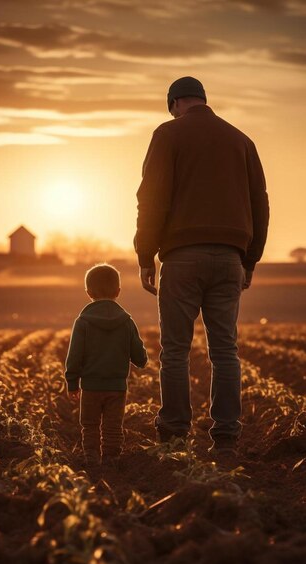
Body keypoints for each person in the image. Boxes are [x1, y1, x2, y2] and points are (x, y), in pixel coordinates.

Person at [134, 76, 269, 460]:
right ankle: (226, 436)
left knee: (175, 350)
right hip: (229, 258)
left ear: (174, 103)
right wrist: (250, 259)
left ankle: (175, 434)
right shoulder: (242, 140)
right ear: (203, 101)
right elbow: (260, 204)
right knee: (225, 350)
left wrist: (146, 255)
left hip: (181, 258)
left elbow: (152, 196)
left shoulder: (167, 134)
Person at [65, 263, 148, 471]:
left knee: (90, 425)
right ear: (118, 292)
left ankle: (92, 457)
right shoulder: (127, 322)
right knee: (113, 426)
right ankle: (112, 459)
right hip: (117, 387)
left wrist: (72, 382)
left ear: (88, 292)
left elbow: (74, 356)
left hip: (90, 387)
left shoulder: (83, 322)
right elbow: (138, 354)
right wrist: (142, 360)